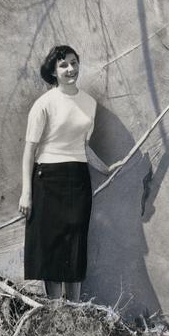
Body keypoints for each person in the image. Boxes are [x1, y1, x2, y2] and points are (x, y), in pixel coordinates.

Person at [18, 44, 110, 302]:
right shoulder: (44, 104)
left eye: (73, 62)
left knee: (75, 245)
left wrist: (105, 167)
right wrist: (26, 193)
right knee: (52, 247)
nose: (70, 69)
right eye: (63, 65)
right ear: (54, 71)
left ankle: (75, 309)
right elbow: (29, 151)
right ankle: (56, 310)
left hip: (78, 180)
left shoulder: (89, 103)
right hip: (47, 180)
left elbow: (83, 146)